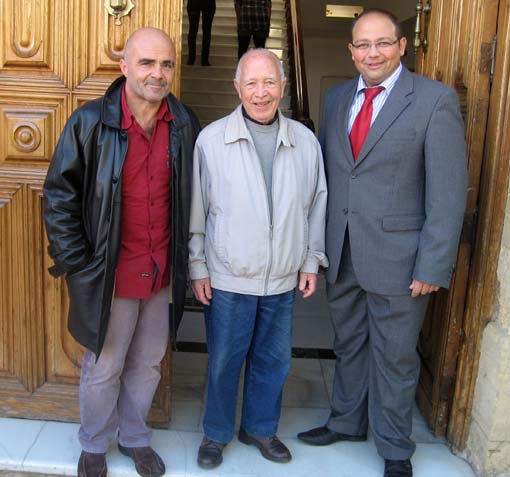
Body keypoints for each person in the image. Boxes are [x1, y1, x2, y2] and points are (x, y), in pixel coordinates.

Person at [297, 9, 467, 477]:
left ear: (402, 46)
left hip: (400, 257)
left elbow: (448, 192)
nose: (372, 53)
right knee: (349, 342)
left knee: (394, 354)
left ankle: (395, 447)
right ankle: (348, 421)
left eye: (382, 43)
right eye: (363, 45)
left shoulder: (434, 101)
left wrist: (433, 266)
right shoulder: (334, 99)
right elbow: (331, 177)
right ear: (351, 51)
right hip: (343, 250)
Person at [43, 27, 200, 477]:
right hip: (111, 272)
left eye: (166, 63)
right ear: (124, 66)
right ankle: (94, 443)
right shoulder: (91, 122)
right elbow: (58, 196)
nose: (158, 73)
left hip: (163, 268)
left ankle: (134, 438)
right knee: (104, 364)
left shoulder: (184, 123)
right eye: (147, 62)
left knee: (148, 362)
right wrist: (77, 265)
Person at [188, 48, 327, 469]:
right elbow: (198, 208)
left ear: (284, 87)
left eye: (269, 83)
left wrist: (310, 259)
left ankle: (261, 429)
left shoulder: (304, 141)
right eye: (251, 83)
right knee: (225, 361)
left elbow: (315, 203)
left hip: (282, 277)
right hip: (230, 276)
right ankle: (216, 434)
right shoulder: (211, 140)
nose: (261, 93)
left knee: (273, 360)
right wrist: (197, 264)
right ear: (237, 87)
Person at [186, 0, 216, 66]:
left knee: (193, 31)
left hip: (194, 3)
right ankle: (204, 60)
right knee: (206, 32)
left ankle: (191, 59)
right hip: (208, 3)